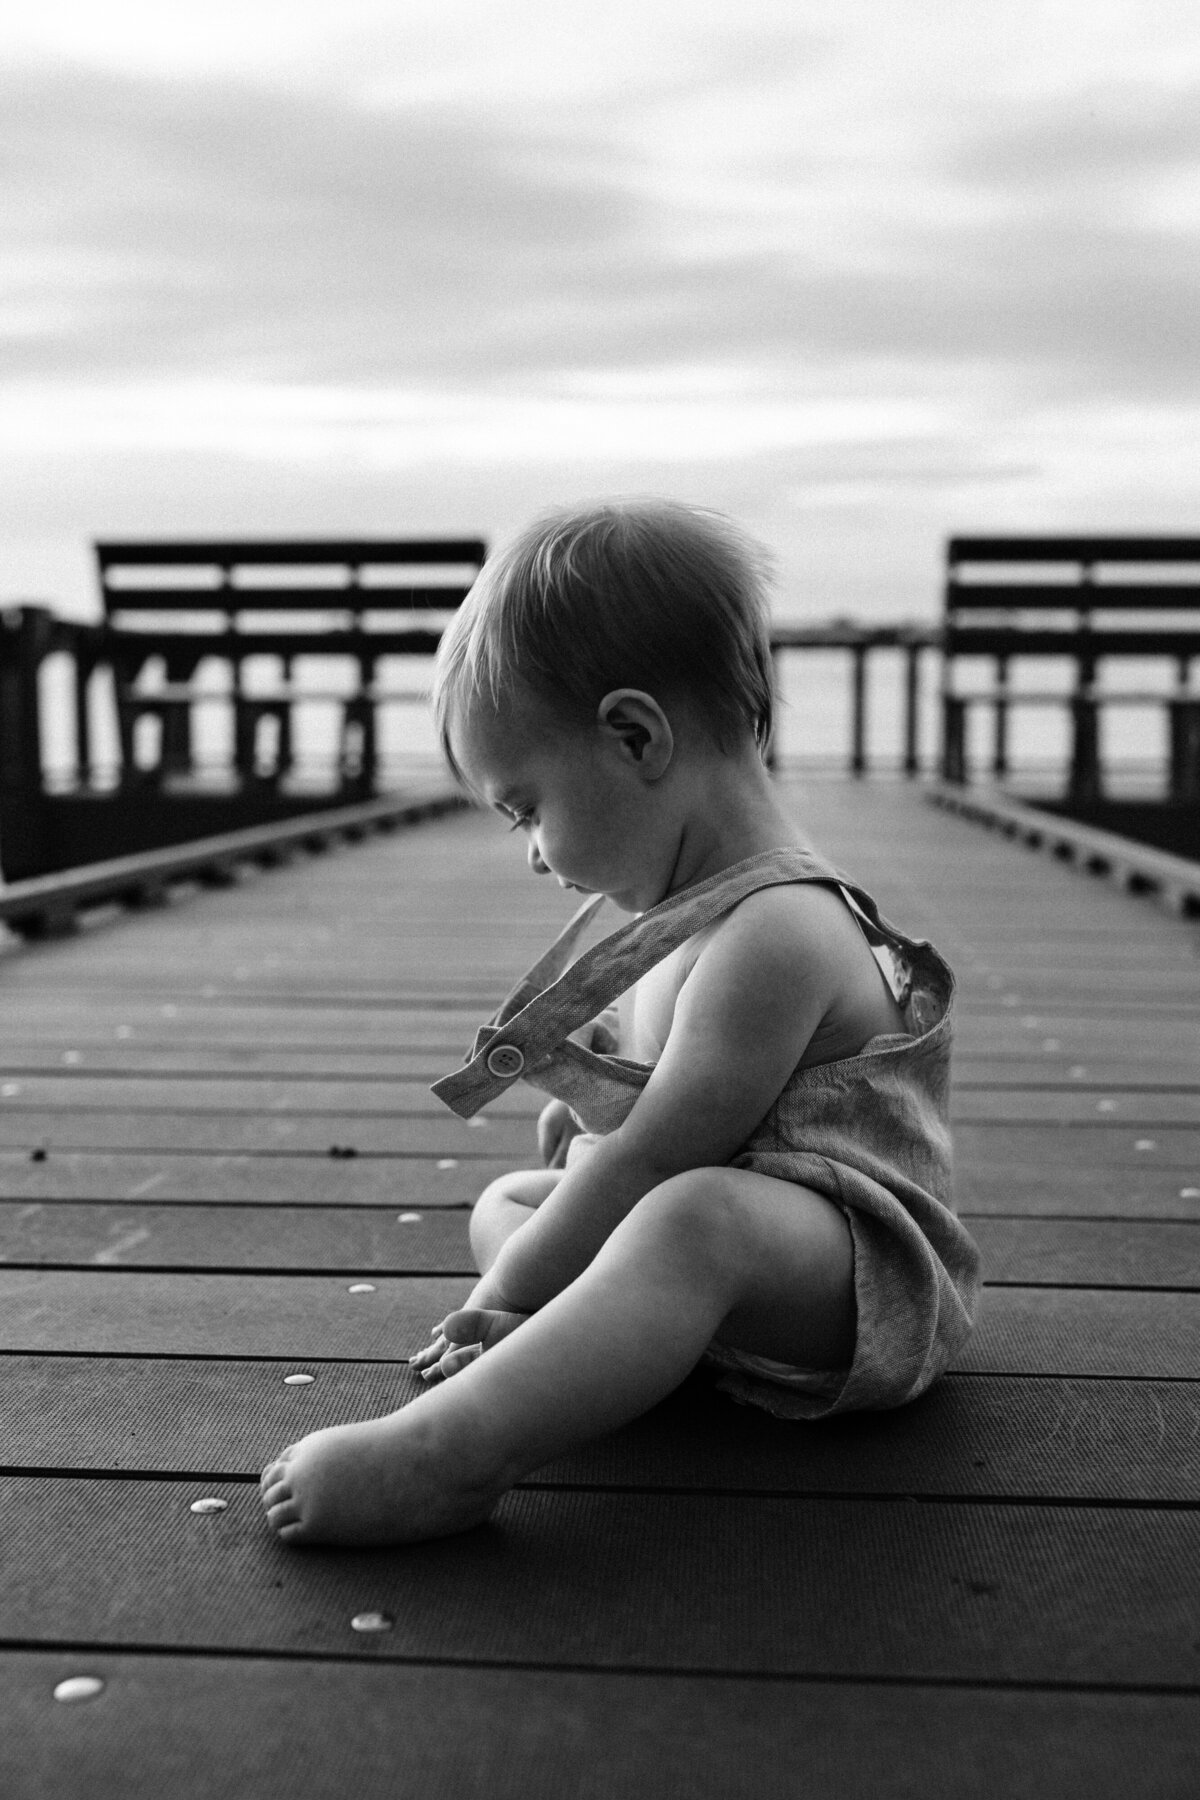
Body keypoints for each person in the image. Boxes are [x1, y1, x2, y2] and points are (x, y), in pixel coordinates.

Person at [260, 498, 982, 1547]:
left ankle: (451, 1456)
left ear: (636, 737)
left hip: (863, 1293)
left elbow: (660, 1157)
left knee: (689, 1218)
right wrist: (586, 1119)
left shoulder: (777, 930)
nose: (531, 853)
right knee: (514, 1198)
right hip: (744, 1261)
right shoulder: (685, 915)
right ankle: (631, 1343)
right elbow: (650, 1122)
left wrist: (509, 1296)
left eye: (526, 807)